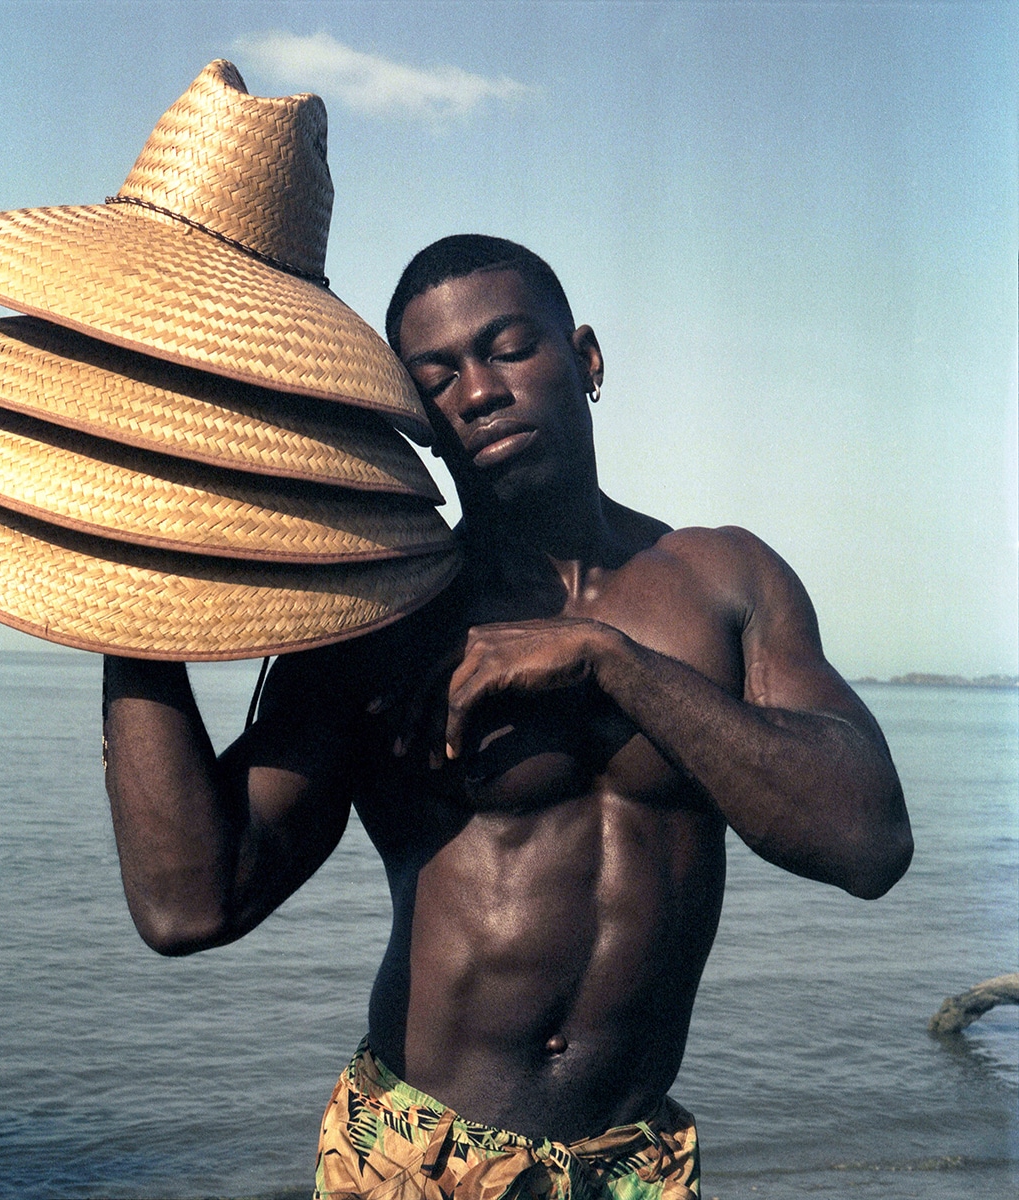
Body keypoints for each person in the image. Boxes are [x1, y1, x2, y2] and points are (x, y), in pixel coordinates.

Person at [101, 235, 913, 1199]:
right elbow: (190, 903)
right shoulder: (380, 616)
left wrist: (606, 661)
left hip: (634, 1168)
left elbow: (868, 843)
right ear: (420, 425)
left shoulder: (724, 580)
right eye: (436, 377)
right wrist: (124, 601)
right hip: (417, 1156)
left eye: (508, 348)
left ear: (587, 359)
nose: (478, 390)